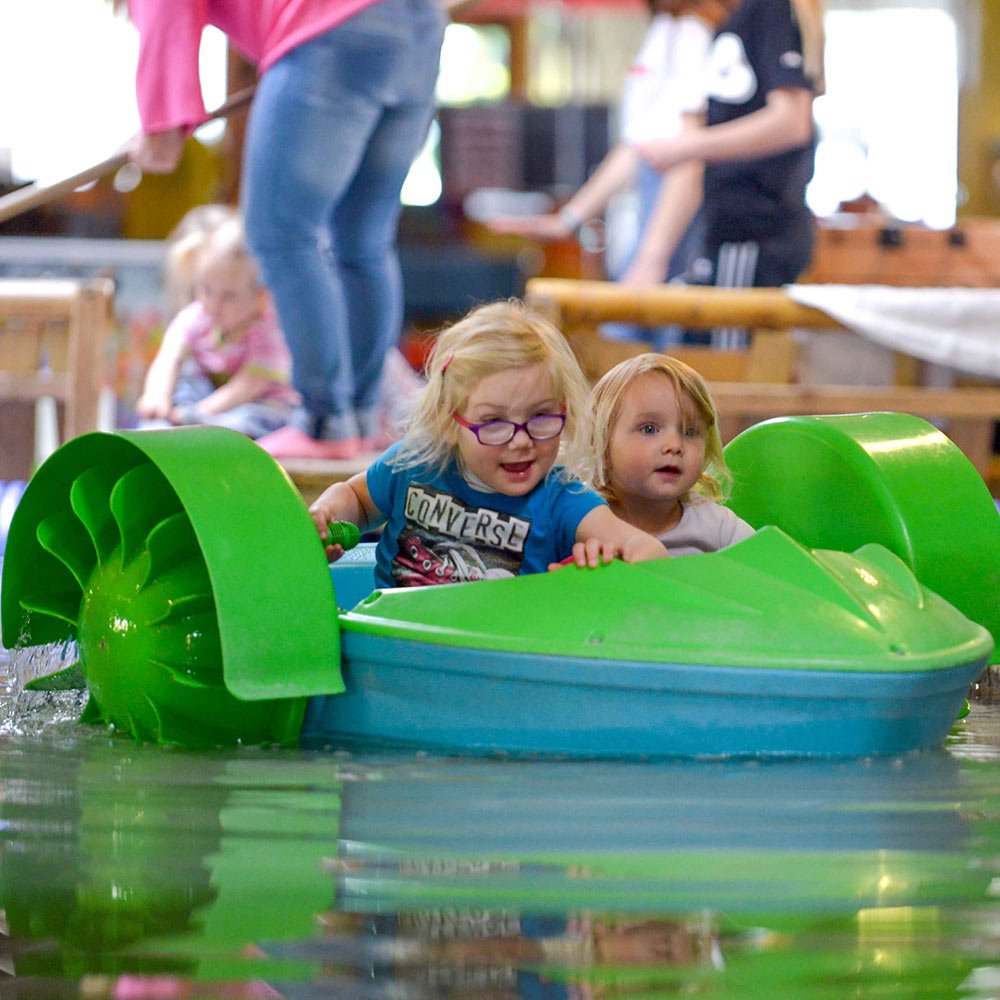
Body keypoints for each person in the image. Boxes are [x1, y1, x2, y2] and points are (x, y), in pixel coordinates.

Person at [121, 0, 447, 460]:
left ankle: (325, 424)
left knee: (279, 235)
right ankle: (357, 420)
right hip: (417, 26)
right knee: (362, 243)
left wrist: (160, 120)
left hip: (329, 29)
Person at [307, 300, 668, 588]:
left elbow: (649, 551)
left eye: (541, 417)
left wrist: (605, 562)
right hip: (395, 645)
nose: (521, 441)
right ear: (450, 422)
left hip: (499, 661)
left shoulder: (560, 499)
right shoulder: (415, 463)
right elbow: (356, 499)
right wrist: (327, 516)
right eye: (494, 423)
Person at [624, 0, 825, 345]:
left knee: (726, 375)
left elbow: (792, 120)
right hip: (724, 234)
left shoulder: (768, 9)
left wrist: (688, 146)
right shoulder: (732, 24)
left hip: (753, 234)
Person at [488, 0, 722, 294]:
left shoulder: (693, 32)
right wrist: (568, 218)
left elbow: (689, 156)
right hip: (658, 211)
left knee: (642, 327)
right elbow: (641, 143)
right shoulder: (669, 29)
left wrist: (652, 257)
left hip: (676, 216)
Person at [135, 214, 299, 438]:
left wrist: (200, 413)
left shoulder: (269, 330)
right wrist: (157, 396)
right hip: (210, 402)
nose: (213, 305)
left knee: (254, 419)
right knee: (187, 383)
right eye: (205, 289)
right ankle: (162, 430)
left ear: (261, 297)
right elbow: (169, 358)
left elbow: (249, 385)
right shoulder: (197, 315)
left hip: (258, 403)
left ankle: (208, 433)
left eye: (229, 296)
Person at [588, 353, 754, 554]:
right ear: (601, 445)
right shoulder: (578, 520)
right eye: (649, 429)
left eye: (689, 432)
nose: (675, 445)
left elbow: (770, 573)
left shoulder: (720, 529)